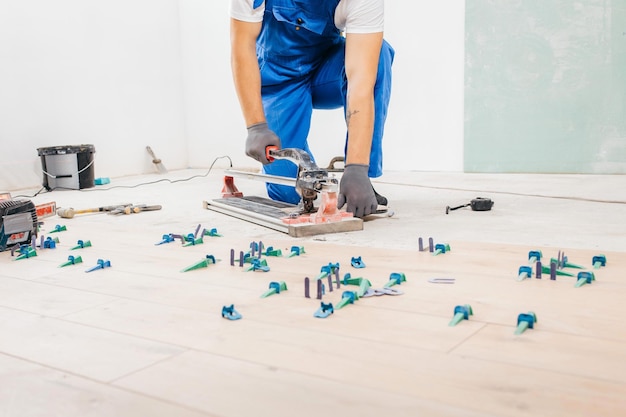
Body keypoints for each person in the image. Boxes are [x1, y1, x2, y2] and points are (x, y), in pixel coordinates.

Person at [229, 0, 394, 218]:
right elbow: (242, 46)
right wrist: (256, 126)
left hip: (326, 69)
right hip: (279, 81)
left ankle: (358, 179)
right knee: (289, 193)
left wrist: (357, 167)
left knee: (378, 54)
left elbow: (361, 81)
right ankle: (312, 177)